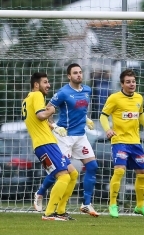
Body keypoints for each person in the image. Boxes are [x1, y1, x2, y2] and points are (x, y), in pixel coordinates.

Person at [33, 63, 99, 217]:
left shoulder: (87, 90)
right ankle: (40, 192)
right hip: (64, 137)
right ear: (69, 76)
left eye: (80, 72)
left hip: (80, 135)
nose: (79, 75)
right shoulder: (62, 93)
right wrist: (54, 126)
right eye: (75, 73)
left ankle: (86, 204)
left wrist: (86, 118)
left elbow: (80, 109)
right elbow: (46, 110)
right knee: (61, 170)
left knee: (93, 166)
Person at [100, 69, 144, 219]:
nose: (132, 84)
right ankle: (112, 204)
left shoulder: (139, 98)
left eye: (133, 81)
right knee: (119, 170)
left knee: (143, 174)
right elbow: (103, 116)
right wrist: (108, 129)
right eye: (128, 82)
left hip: (135, 142)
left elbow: (141, 114)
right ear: (122, 84)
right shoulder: (114, 98)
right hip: (119, 141)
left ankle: (140, 206)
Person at [23, 72, 78, 221]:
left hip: (45, 144)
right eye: (45, 82)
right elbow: (41, 115)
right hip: (45, 144)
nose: (48, 85)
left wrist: (53, 126)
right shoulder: (37, 96)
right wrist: (51, 110)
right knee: (64, 177)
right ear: (36, 85)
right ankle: (49, 213)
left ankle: (60, 211)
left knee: (73, 173)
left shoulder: (27, 99)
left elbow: (38, 120)